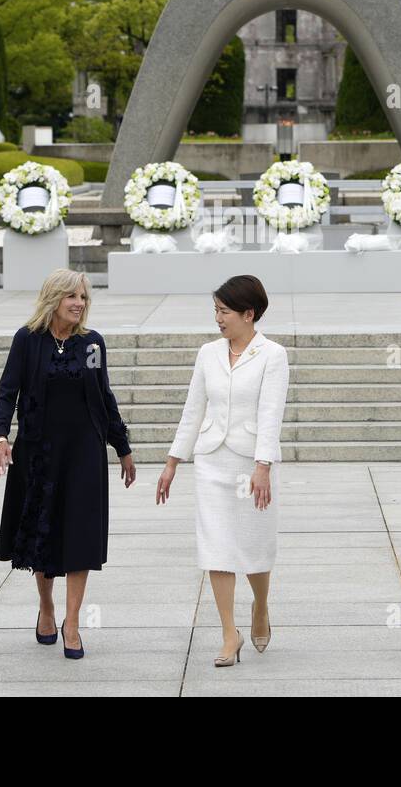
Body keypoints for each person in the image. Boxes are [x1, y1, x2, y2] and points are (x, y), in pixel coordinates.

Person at [0, 268, 136, 660]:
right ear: (53, 299)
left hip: (85, 454)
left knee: (80, 535)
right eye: (72, 296)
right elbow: (8, 392)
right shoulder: (27, 340)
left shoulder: (92, 343)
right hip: (39, 454)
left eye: (84, 297)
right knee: (43, 535)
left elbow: (105, 397)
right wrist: (1, 436)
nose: (79, 304)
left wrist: (122, 447)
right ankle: (47, 605)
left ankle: (72, 622)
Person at [156, 275, 289, 668]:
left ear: (249, 314)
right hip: (212, 459)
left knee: (254, 546)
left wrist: (263, 465)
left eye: (224, 311)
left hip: (250, 463)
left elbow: (271, 413)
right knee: (216, 546)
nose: (218, 318)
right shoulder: (207, 353)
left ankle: (260, 606)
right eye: (215, 310)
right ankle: (229, 633)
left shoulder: (272, 355)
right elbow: (193, 409)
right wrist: (172, 462)